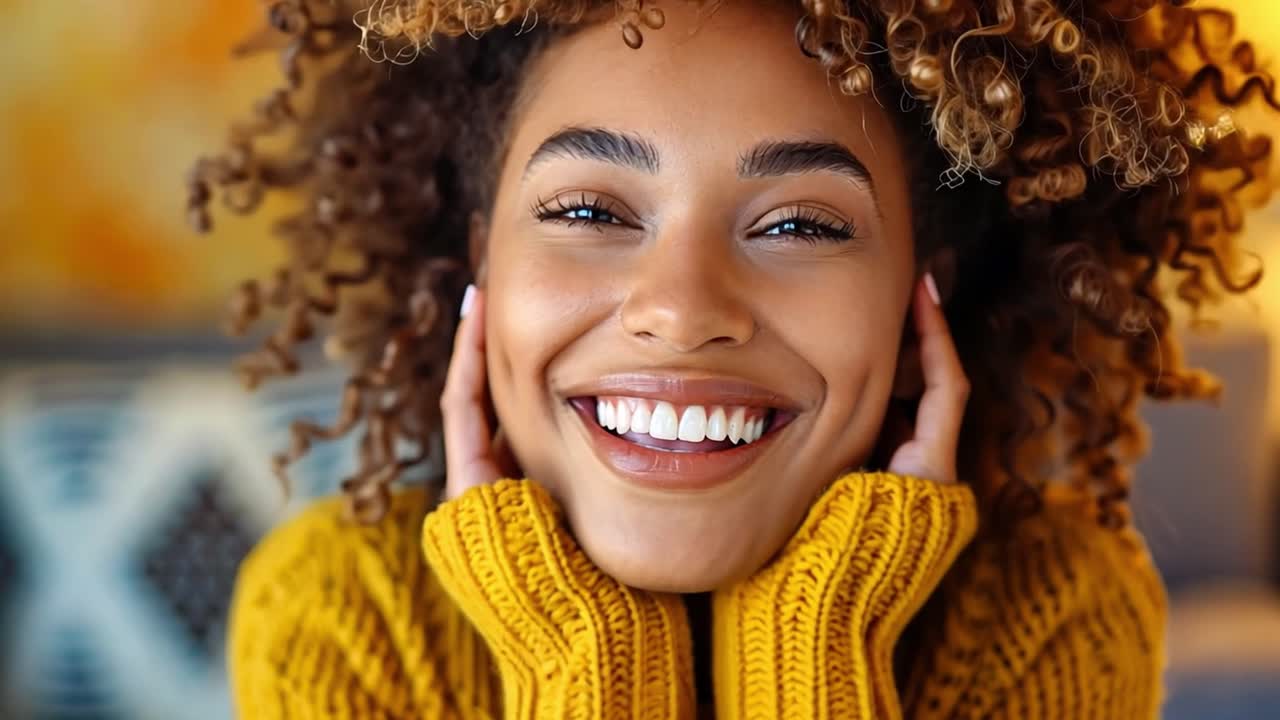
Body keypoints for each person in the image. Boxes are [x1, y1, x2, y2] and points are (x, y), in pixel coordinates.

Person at [189, 0, 1277, 717]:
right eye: (585, 207)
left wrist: (820, 650)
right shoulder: (345, 615)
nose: (679, 309)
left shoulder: (1049, 612)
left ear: (918, 302)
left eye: (799, 225)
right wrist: (583, 656)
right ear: (482, 265)